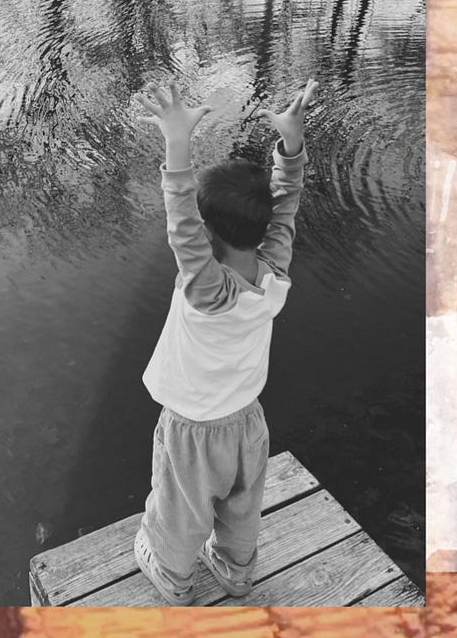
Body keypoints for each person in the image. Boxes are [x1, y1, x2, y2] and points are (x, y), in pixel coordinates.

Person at [128, 78, 315, 605]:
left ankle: (172, 574)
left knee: (180, 508)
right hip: (247, 419)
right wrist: (290, 146)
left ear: (207, 231)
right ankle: (236, 572)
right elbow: (286, 208)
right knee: (241, 504)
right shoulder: (274, 270)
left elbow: (179, 220)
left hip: (192, 426)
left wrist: (177, 140)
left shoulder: (206, 289)